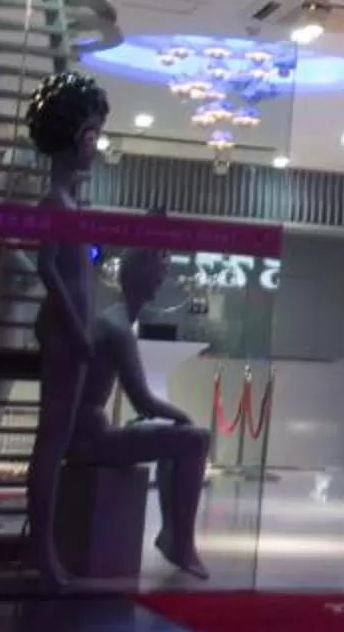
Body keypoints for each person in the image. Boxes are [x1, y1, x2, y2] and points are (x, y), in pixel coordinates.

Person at [22, 71, 211, 587]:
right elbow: (47, 270)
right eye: (94, 134)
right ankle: (43, 554)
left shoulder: (69, 203)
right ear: (80, 135)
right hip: (67, 337)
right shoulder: (55, 203)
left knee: (53, 443)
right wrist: (76, 331)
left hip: (71, 333)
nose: (97, 145)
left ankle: (47, 551)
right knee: (49, 444)